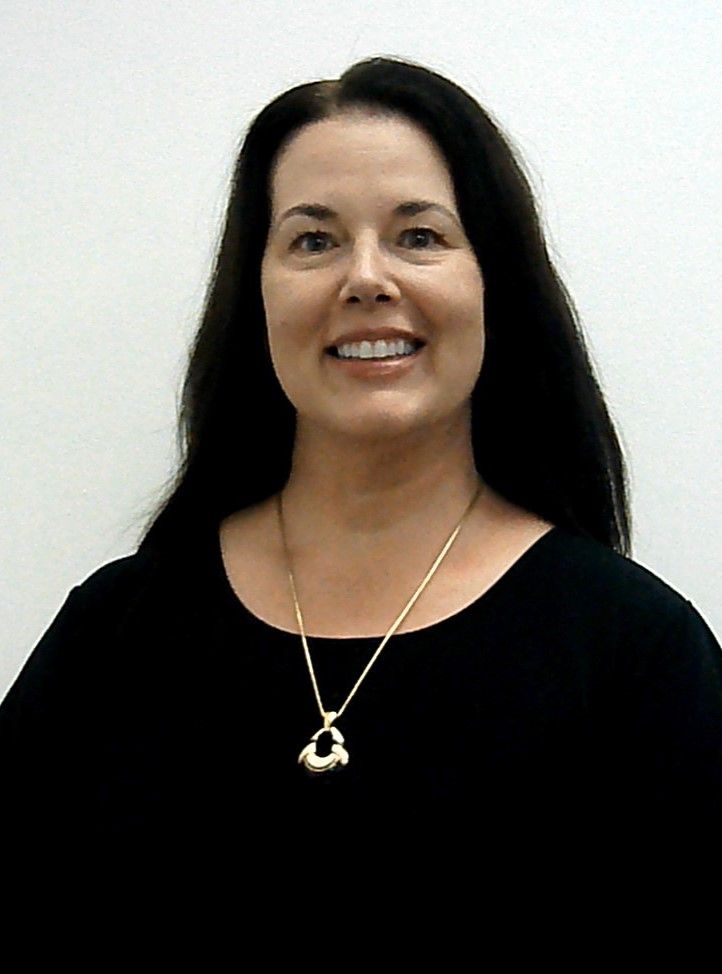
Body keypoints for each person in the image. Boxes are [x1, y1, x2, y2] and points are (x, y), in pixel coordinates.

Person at [2, 56, 721, 873]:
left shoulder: (637, 652)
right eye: (315, 240)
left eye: (420, 236)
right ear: (257, 293)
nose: (367, 278)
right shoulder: (114, 634)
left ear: (495, 285)